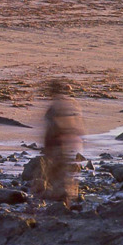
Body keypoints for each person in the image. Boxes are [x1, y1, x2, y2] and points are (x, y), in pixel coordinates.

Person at [40, 79, 85, 207]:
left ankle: (63, 201)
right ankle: (70, 200)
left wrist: (47, 146)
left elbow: (53, 128)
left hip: (59, 144)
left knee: (57, 172)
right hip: (72, 143)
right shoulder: (71, 104)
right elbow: (78, 125)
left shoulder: (54, 108)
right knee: (66, 173)